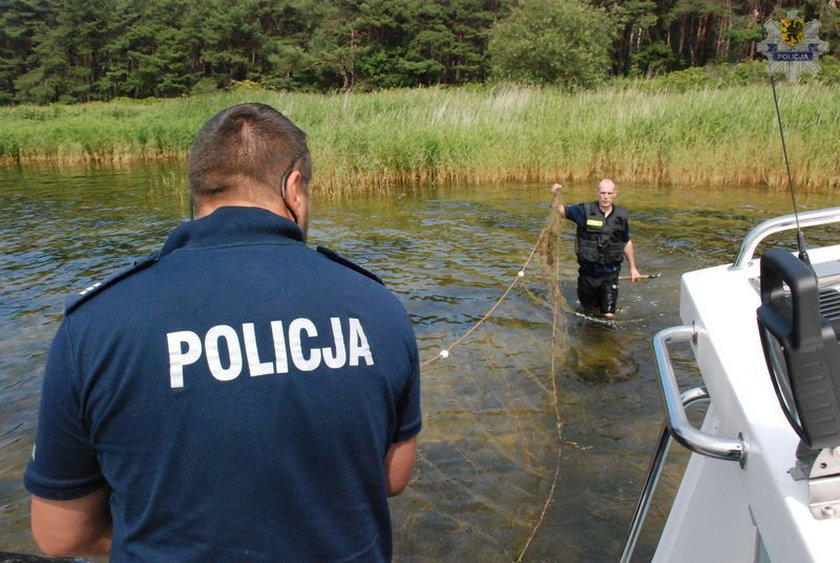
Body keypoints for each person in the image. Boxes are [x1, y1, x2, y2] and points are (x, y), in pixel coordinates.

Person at [24, 103, 422, 561]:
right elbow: (392, 478)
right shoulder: (378, 306)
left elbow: (60, 535)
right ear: (294, 187)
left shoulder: (93, 324)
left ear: (195, 193)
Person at [551, 179, 641, 317]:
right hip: (587, 274)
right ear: (597, 193)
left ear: (614, 194)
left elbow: (626, 241)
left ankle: (606, 336)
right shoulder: (583, 211)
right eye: (603, 192)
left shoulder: (621, 216)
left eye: (609, 193)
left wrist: (633, 268)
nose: (606, 196)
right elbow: (560, 211)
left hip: (610, 274)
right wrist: (555, 195)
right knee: (589, 313)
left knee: (608, 316)